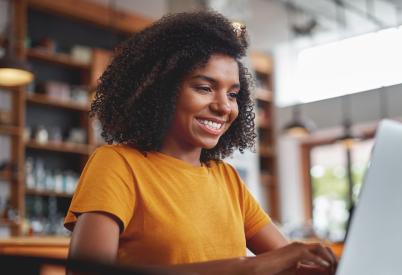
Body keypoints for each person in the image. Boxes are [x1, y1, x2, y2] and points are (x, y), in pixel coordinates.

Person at [64, 11, 336, 275]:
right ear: (161, 91)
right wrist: (247, 267)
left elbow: (289, 265)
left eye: (232, 94)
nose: (223, 107)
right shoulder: (117, 164)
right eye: (204, 88)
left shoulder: (225, 177)